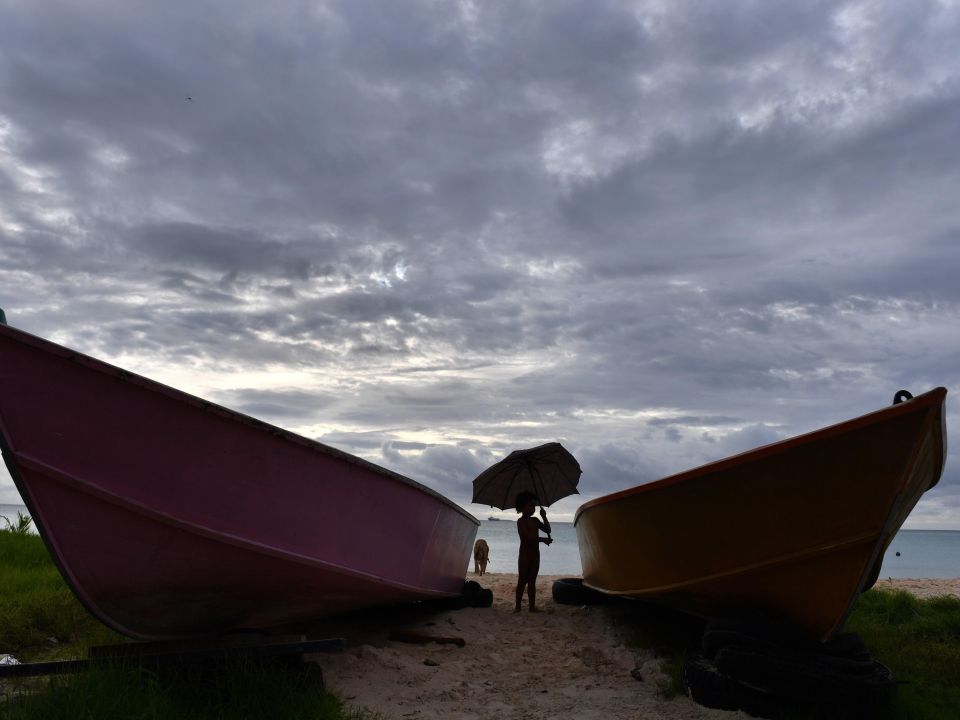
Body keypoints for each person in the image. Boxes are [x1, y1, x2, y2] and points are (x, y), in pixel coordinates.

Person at [515, 491, 552, 612]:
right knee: (522, 581)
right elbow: (526, 538)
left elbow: (547, 529)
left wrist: (544, 516)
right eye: (530, 505)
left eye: (534, 506)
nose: (533, 508)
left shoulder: (535, 520)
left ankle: (532, 606)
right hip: (525, 555)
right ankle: (518, 606)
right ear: (522, 507)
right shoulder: (520, 522)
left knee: (532, 581)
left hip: (535, 555)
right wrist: (543, 539)